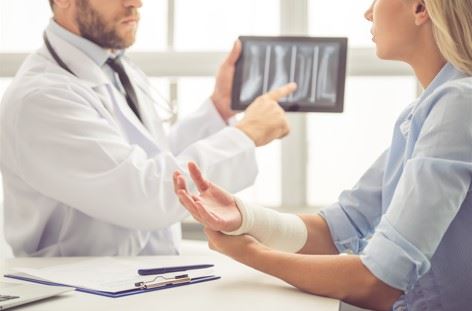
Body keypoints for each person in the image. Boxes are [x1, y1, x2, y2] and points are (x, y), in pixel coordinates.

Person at [173, 0, 472, 310]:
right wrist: (243, 217)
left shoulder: (459, 104)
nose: (368, 12)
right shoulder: (422, 114)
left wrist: (249, 253)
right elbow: (339, 226)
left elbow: (379, 283)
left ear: (420, 8)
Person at [0, 0, 297, 257]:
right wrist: (246, 134)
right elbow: (143, 193)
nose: (137, 3)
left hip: (136, 276)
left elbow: (151, 159)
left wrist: (219, 109)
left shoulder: (112, 65)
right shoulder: (41, 98)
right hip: (79, 291)